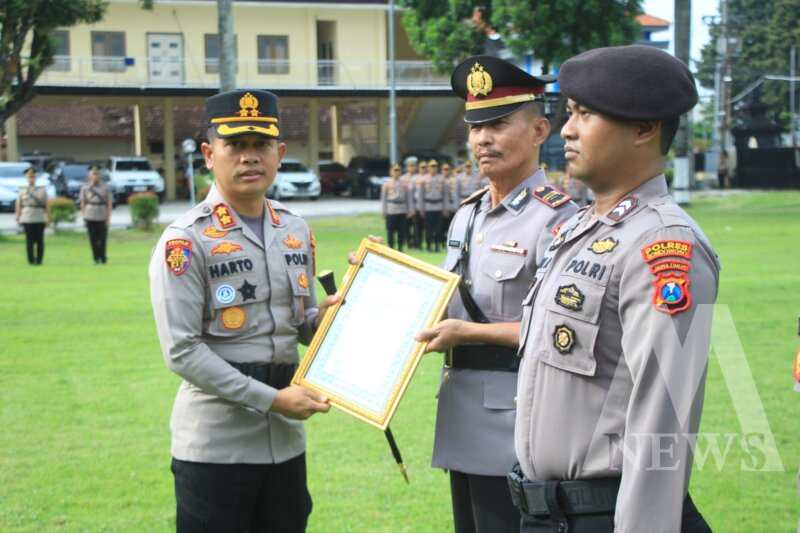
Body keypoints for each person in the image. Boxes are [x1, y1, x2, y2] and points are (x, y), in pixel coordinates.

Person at [510, 45, 720, 533]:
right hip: (547, 514)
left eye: (585, 114)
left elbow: (663, 421)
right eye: (569, 112)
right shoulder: (582, 228)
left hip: (604, 517)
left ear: (644, 129)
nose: (567, 129)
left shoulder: (663, 244)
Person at [149, 89, 336, 533]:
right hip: (217, 448)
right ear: (209, 155)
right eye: (235, 145)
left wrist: (331, 317)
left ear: (280, 154)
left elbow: (300, 324)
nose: (250, 156)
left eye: (261, 145)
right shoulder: (186, 240)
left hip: (284, 444)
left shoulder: (294, 229)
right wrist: (273, 400)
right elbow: (182, 351)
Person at [415, 55, 577, 533]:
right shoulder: (467, 215)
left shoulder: (559, 219)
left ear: (540, 130)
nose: (483, 139)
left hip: (517, 423)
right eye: (475, 127)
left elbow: (562, 331)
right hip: (461, 415)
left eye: (499, 124)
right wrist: (381, 281)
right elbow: (448, 299)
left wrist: (468, 333)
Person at [15, 167, 49, 265]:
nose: (31, 179)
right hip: (27, 217)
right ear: (26, 178)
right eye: (29, 177)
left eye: (33, 177)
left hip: (39, 217)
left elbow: (46, 205)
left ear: (35, 178)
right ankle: (30, 260)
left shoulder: (42, 190)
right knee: (29, 241)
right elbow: (18, 204)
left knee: (39, 241)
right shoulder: (22, 190)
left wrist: (48, 217)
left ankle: (39, 260)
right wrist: (18, 216)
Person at [80, 166, 113, 264]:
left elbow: (109, 203)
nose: (95, 176)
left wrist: (108, 217)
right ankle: (95, 258)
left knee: (102, 239)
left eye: (97, 174)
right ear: (89, 176)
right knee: (93, 239)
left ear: (99, 176)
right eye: (93, 174)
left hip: (102, 214)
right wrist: (84, 216)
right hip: (90, 214)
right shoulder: (85, 187)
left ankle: (103, 257)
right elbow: (83, 203)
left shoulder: (105, 187)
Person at [381, 163, 411, 251]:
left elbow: (408, 198)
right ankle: (391, 248)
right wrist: (384, 211)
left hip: (402, 209)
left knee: (401, 231)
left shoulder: (405, 184)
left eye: (398, 170)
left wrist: (410, 210)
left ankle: (400, 248)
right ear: (390, 172)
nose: (396, 172)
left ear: (400, 172)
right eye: (395, 170)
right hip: (391, 210)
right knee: (390, 231)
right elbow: (384, 199)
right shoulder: (386, 184)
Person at [418, 159, 445, 252]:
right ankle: (429, 245)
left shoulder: (441, 179)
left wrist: (445, 208)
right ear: (428, 168)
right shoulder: (423, 179)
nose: (433, 168)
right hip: (428, 206)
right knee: (428, 228)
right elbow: (420, 195)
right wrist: (421, 208)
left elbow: (445, 195)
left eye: (435, 166)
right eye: (432, 166)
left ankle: (437, 245)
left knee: (438, 228)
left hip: (438, 206)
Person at [401, 156, 419, 248]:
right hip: (405, 206)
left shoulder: (419, 177)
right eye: (410, 166)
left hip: (416, 205)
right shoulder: (402, 178)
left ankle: (416, 243)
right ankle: (407, 241)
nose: (412, 167)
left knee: (416, 226)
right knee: (406, 225)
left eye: (413, 165)